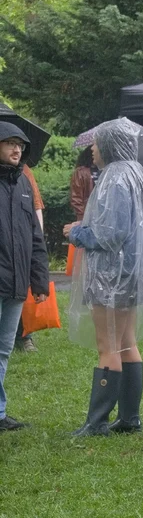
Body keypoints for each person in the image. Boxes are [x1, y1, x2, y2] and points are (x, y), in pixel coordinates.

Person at [62, 118, 143, 436]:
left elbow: (110, 234)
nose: (92, 150)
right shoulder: (136, 174)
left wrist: (76, 231)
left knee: (108, 345)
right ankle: (129, 417)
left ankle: (96, 422)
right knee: (126, 343)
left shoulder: (114, 178)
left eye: (96, 143)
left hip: (112, 277)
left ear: (110, 145)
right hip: (132, 274)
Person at [0, 122, 49, 431]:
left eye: (20, 144)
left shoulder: (23, 184)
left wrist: (39, 280)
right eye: (9, 143)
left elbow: (35, 236)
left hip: (17, 284)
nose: (17, 149)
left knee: (4, 349)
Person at [14, 163, 46, 353]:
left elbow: (36, 207)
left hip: (18, 247)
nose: (16, 149)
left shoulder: (24, 171)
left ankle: (24, 336)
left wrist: (36, 241)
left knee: (20, 292)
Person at [70, 146, 99, 222]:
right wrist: (82, 218)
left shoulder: (106, 170)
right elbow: (76, 198)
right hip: (87, 216)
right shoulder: (81, 172)